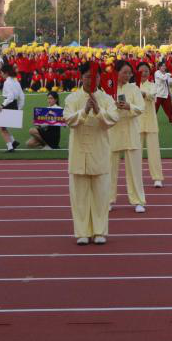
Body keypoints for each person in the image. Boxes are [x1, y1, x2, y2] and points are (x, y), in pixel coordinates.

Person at [65, 63, 119, 245]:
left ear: (99, 78)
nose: (91, 80)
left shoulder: (106, 99)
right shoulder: (72, 98)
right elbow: (69, 120)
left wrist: (97, 110)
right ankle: (82, 232)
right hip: (78, 154)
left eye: (95, 76)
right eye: (87, 76)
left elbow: (112, 120)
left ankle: (99, 231)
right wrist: (84, 110)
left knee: (101, 196)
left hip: (100, 152)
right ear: (81, 77)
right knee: (79, 196)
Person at [108, 61, 146, 214]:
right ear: (116, 72)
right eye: (124, 72)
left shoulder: (134, 88)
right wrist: (115, 107)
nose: (127, 75)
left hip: (131, 131)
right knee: (110, 168)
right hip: (113, 131)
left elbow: (141, 108)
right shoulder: (109, 88)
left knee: (135, 170)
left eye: (129, 73)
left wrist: (129, 106)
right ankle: (108, 200)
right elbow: (104, 109)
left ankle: (138, 200)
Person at [136, 62, 165, 189]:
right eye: (141, 71)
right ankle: (136, 178)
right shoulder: (132, 86)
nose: (144, 73)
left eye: (146, 71)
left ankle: (157, 178)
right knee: (136, 153)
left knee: (154, 152)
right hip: (137, 123)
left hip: (151, 122)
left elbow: (152, 96)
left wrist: (141, 93)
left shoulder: (153, 85)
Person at [0, 64, 25, 153]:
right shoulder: (16, 81)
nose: (1, 74)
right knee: (3, 126)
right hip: (15, 105)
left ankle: (10, 147)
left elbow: (10, 97)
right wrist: (19, 108)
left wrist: (2, 105)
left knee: (1, 127)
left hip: (8, 104)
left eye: (1, 72)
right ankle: (13, 142)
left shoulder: (7, 82)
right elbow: (22, 96)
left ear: (6, 73)